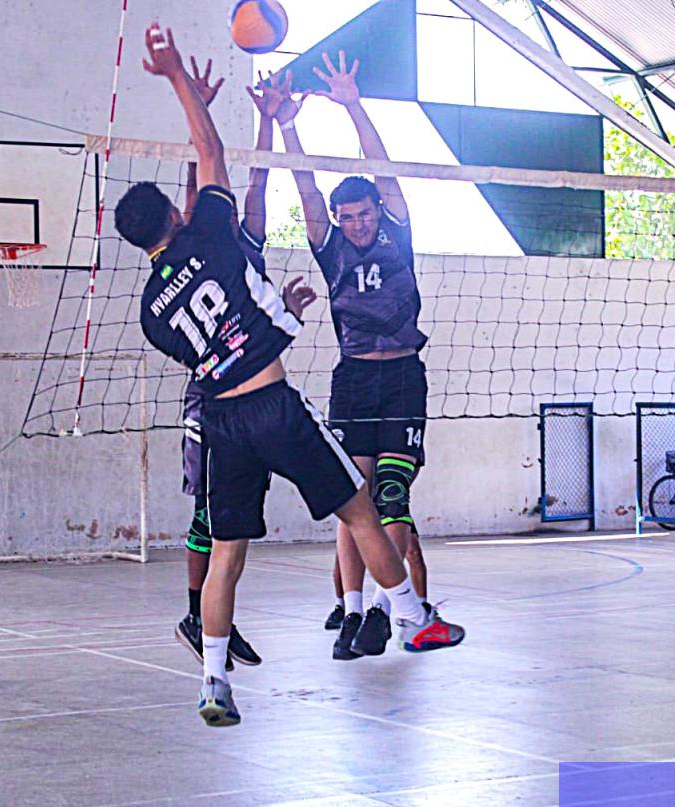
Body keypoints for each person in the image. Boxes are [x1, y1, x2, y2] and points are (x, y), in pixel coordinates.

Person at [115, 23, 464, 726]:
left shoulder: (151, 312)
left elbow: (215, 344)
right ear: (180, 213)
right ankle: (410, 615)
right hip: (275, 404)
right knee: (359, 508)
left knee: (227, 554)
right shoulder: (214, 236)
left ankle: (214, 681)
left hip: (221, 418)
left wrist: (280, 318)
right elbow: (211, 152)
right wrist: (178, 76)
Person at [278, 53, 435, 659]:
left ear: (377, 212)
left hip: (403, 378)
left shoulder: (398, 229)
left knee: (391, 496)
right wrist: (287, 125)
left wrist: (352, 105)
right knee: (354, 500)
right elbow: (305, 188)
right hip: (353, 382)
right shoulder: (330, 244)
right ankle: (350, 612)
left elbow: (383, 168)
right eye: (348, 218)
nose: (357, 225)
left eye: (364, 215)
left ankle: (380, 611)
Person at [173, 62, 295, 673]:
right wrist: (196, 110)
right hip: (210, 400)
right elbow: (199, 175)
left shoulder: (247, 241)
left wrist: (267, 121)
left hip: (255, 399)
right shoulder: (196, 247)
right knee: (208, 515)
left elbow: (259, 182)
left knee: (236, 521)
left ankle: (215, 617)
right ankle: (196, 616)